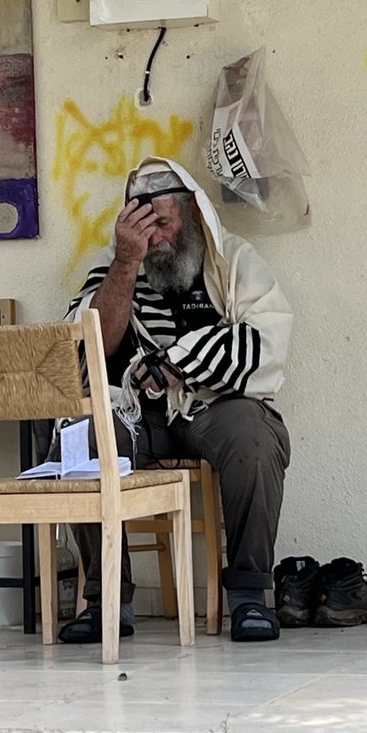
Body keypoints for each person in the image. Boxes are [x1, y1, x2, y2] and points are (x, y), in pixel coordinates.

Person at [59, 155, 293, 643]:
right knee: (81, 435)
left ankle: (249, 596)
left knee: (254, 437)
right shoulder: (114, 266)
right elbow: (85, 350)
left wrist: (179, 360)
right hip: (139, 414)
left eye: (162, 222)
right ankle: (107, 602)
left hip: (213, 407)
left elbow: (267, 341)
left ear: (192, 213)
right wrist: (126, 262)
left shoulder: (233, 260)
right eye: (141, 226)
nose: (155, 237)